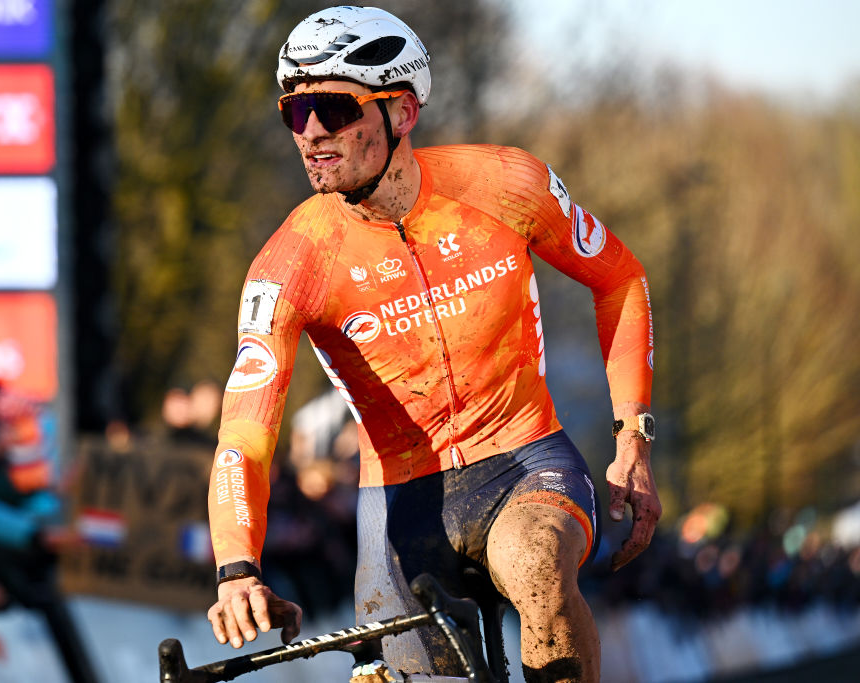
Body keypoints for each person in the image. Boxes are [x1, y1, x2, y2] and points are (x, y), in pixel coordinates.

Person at [205, 6, 661, 681]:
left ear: (403, 112)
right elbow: (243, 434)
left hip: (523, 461)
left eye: (332, 108)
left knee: (539, 571)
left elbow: (619, 279)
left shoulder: (506, 185)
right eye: (294, 113)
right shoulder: (294, 259)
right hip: (394, 501)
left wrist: (632, 437)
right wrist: (236, 567)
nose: (311, 134)